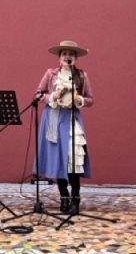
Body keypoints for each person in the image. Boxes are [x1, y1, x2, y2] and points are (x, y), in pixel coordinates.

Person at [35, 39, 93, 215]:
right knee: (59, 158)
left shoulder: (82, 76)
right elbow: (38, 94)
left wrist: (79, 100)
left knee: (73, 158)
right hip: (54, 118)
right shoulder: (51, 74)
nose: (68, 57)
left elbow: (90, 99)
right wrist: (53, 96)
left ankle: (76, 198)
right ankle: (64, 197)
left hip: (72, 118)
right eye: (64, 54)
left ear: (76, 58)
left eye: (71, 54)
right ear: (59, 57)